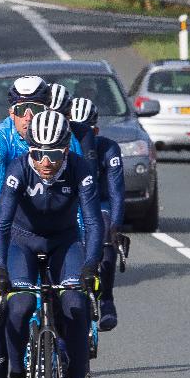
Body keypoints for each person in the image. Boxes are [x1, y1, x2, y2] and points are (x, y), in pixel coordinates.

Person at [0, 110, 102, 378]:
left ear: (66, 150)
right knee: (20, 305)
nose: (45, 162)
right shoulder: (18, 169)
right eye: (38, 153)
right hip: (21, 243)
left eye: (52, 154)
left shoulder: (80, 170)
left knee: (75, 306)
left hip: (64, 243)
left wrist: (91, 264)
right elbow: (1, 224)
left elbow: (93, 223)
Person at [70, 97, 125, 331]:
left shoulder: (108, 148)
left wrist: (114, 227)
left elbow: (116, 192)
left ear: (97, 130)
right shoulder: (62, 147)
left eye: (88, 132)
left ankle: (107, 299)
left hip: (100, 200)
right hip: (72, 199)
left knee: (104, 230)